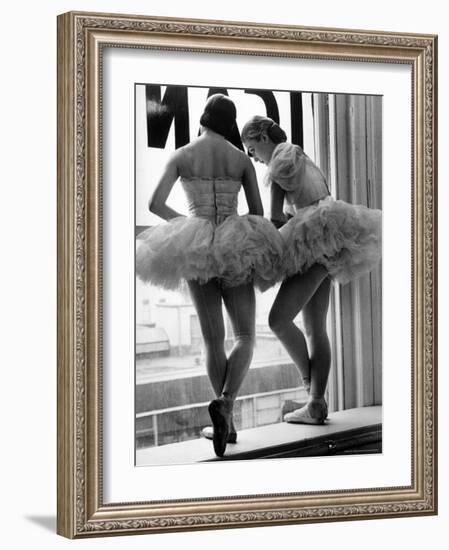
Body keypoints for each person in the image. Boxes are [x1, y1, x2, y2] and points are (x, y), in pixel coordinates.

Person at [136, 96, 283, 456]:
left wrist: (189, 227)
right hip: (235, 242)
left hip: (196, 243)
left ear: (203, 120)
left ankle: (226, 422)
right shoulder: (238, 157)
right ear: (230, 123)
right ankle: (227, 405)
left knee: (211, 341)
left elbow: (154, 204)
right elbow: (259, 211)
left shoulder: (183, 154)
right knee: (246, 336)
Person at [241, 115, 382, 424]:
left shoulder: (280, 160)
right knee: (315, 328)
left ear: (263, 137)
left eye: (252, 150)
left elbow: (276, 217)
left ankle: (309, 384)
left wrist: (251, 230)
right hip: (330, 239)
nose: (255, 159)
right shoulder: (302, 156)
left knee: (277, 320)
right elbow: (317, 199)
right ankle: (316, 403)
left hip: (313, 241)